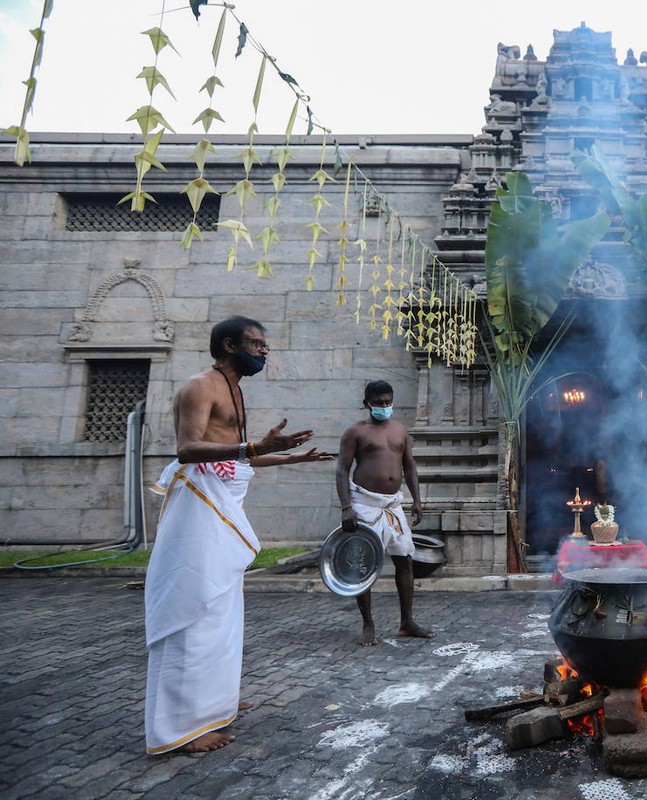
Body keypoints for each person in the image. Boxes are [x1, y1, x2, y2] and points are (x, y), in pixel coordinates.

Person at [144, 316, 333, 755]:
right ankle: (181, 730)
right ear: (229, 345)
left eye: (265, 345)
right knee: (195, 607)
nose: (264, 351)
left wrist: (292, 458)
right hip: (198, 510)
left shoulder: (236, 390)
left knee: (222, 613)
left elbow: (236, 460)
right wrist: (256, 448)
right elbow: (188, 450)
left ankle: (215, 704)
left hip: (220, 505)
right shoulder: (200, 386)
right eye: (255, 343)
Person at [336, 380, 433, 645]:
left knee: (404, 559)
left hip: (392, 504)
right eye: (378, 403)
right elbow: (342, 470)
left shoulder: (400, 430)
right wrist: (346, 507)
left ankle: (407, 622)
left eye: (388, 402)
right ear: (367, 403)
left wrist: (417, 500)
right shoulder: (355, 432)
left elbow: (409, 467)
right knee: (363, 563)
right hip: (364, 504)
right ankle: (368, 624)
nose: (384, 407)